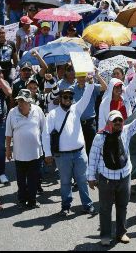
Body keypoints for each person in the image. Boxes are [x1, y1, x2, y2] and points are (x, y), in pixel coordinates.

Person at [87, 102, 136, 246]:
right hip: (106, 178)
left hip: (124, 176)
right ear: (109, 123)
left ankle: (121, 233)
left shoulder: (126, 131)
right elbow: (93, 157)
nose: (118, 123)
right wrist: (91, 177)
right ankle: (105, 236)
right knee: (105, 208)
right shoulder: (100, 137)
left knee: (122, 206)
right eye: (115, 121)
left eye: (120, 120)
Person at [42, 81, 97, 217]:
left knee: (82, 181)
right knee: (65, 182)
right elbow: (45, 134)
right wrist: (47, 153)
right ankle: (65, 206)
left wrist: (90, 83)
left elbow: (86, 96)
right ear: (60, 98)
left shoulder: (77, 109)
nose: (68, 100)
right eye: (65, 97)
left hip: (79, 153)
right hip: (62, 156)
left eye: (70, 97)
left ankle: (87, 205)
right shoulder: (52, 114)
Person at [5, 90, 45, 209]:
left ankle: (32, 201)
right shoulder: (12, 112)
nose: (20, 103)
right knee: (21, 180)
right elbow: (8, 133)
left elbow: (44, 130)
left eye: (23, 101)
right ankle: (22, 200)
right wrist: (8, 150)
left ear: (29, 101)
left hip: (36, 153)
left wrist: (46, 150)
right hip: (20, 154)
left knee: (33, 179)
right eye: (19, 101)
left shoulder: (38, 110)